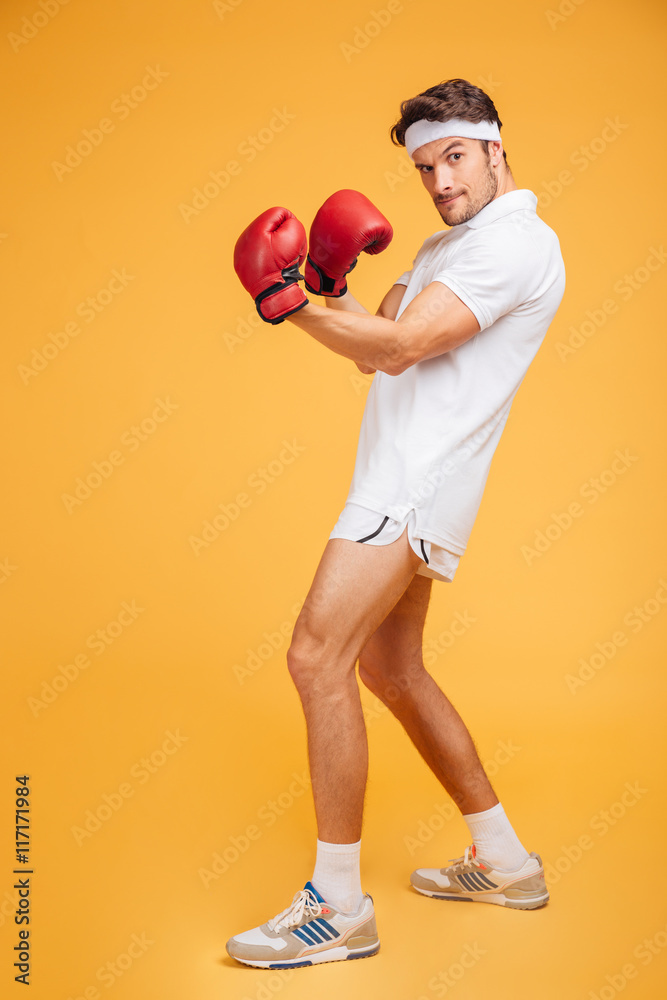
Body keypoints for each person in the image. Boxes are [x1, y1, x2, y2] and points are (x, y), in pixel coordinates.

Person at [227, 77, 565, 969]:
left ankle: (336, 907)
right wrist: (326, 286)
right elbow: (378, 337)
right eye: (423, 165)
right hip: (406, 477)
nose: (439, 179)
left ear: (495, 148)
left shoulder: (516, 244)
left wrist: (286, 303)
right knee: (390, 667)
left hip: (411, 486)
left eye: (454, 157)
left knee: (314, 655)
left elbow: (404, 347)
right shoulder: (448, 243)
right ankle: (504, 860)